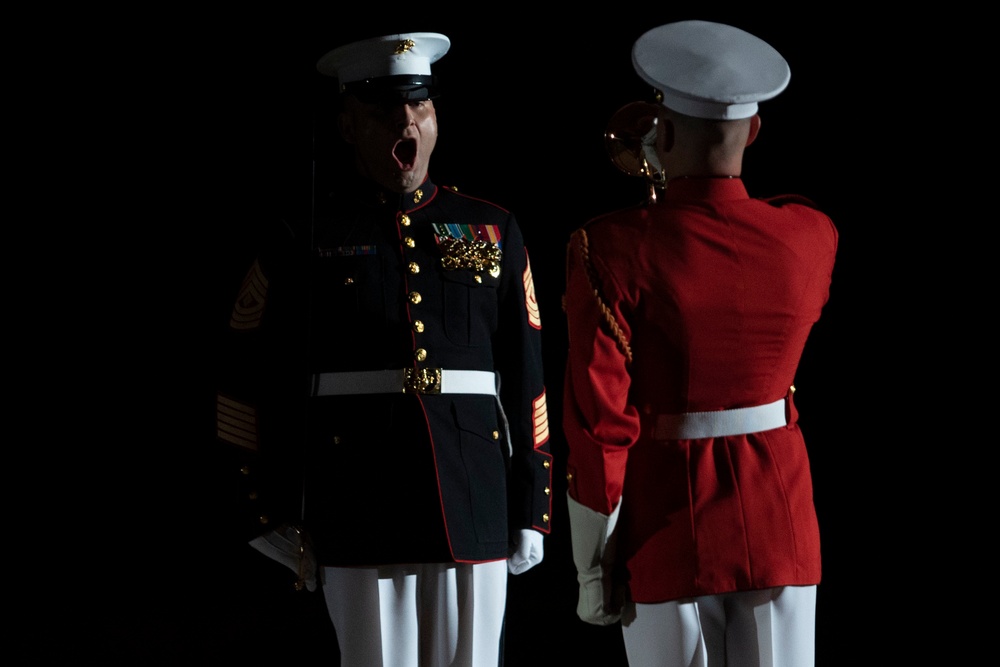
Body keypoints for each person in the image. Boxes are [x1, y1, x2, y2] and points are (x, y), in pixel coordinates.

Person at [214, 31, 552, 666]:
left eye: (419, 105)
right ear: (347, 125)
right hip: (359, 500)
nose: (406, 120)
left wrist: (533, 501)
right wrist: (260, 508)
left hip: (473, 497)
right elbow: (243, 376)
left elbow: (527, 372)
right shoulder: (304, 235)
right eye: (383, 110)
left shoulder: (490, 226)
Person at [562, 20, 838, 667]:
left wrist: (592, 570)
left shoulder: (610, 246)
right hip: (782, 524)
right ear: (756, 131)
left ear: (663, 132)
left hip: (668, 527)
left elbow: (600, 423)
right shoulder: (812, 234)